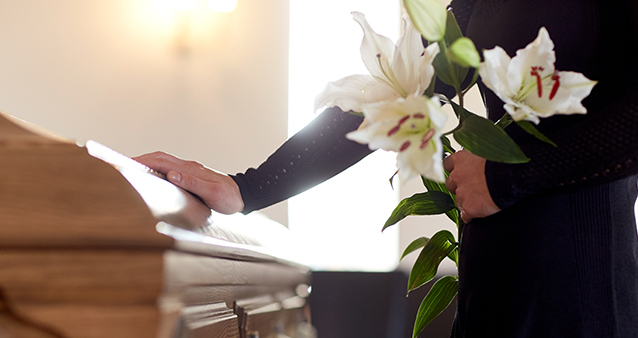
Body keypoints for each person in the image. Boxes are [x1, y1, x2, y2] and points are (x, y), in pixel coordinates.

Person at [135, 0, 638, 336]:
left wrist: (509, 176)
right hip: (495, 269)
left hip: (581, 281)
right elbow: (395, 92)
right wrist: (247, 188)